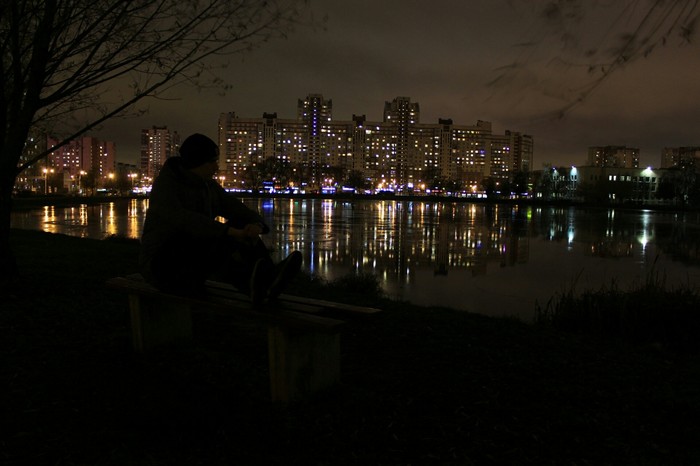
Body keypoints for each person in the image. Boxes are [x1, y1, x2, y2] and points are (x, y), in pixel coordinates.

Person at [139, 133, 301, 308]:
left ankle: (267, 279)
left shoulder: (208, 185)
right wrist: (229, 232)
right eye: (212, 162)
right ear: (196, 162)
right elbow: (185, 221)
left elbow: (235, 208)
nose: (216, 167)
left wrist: (256, 225)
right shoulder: (166, 185)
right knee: (216, 240)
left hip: (191, 259)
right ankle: (257, 284)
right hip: (162, 265)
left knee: (236, 229)